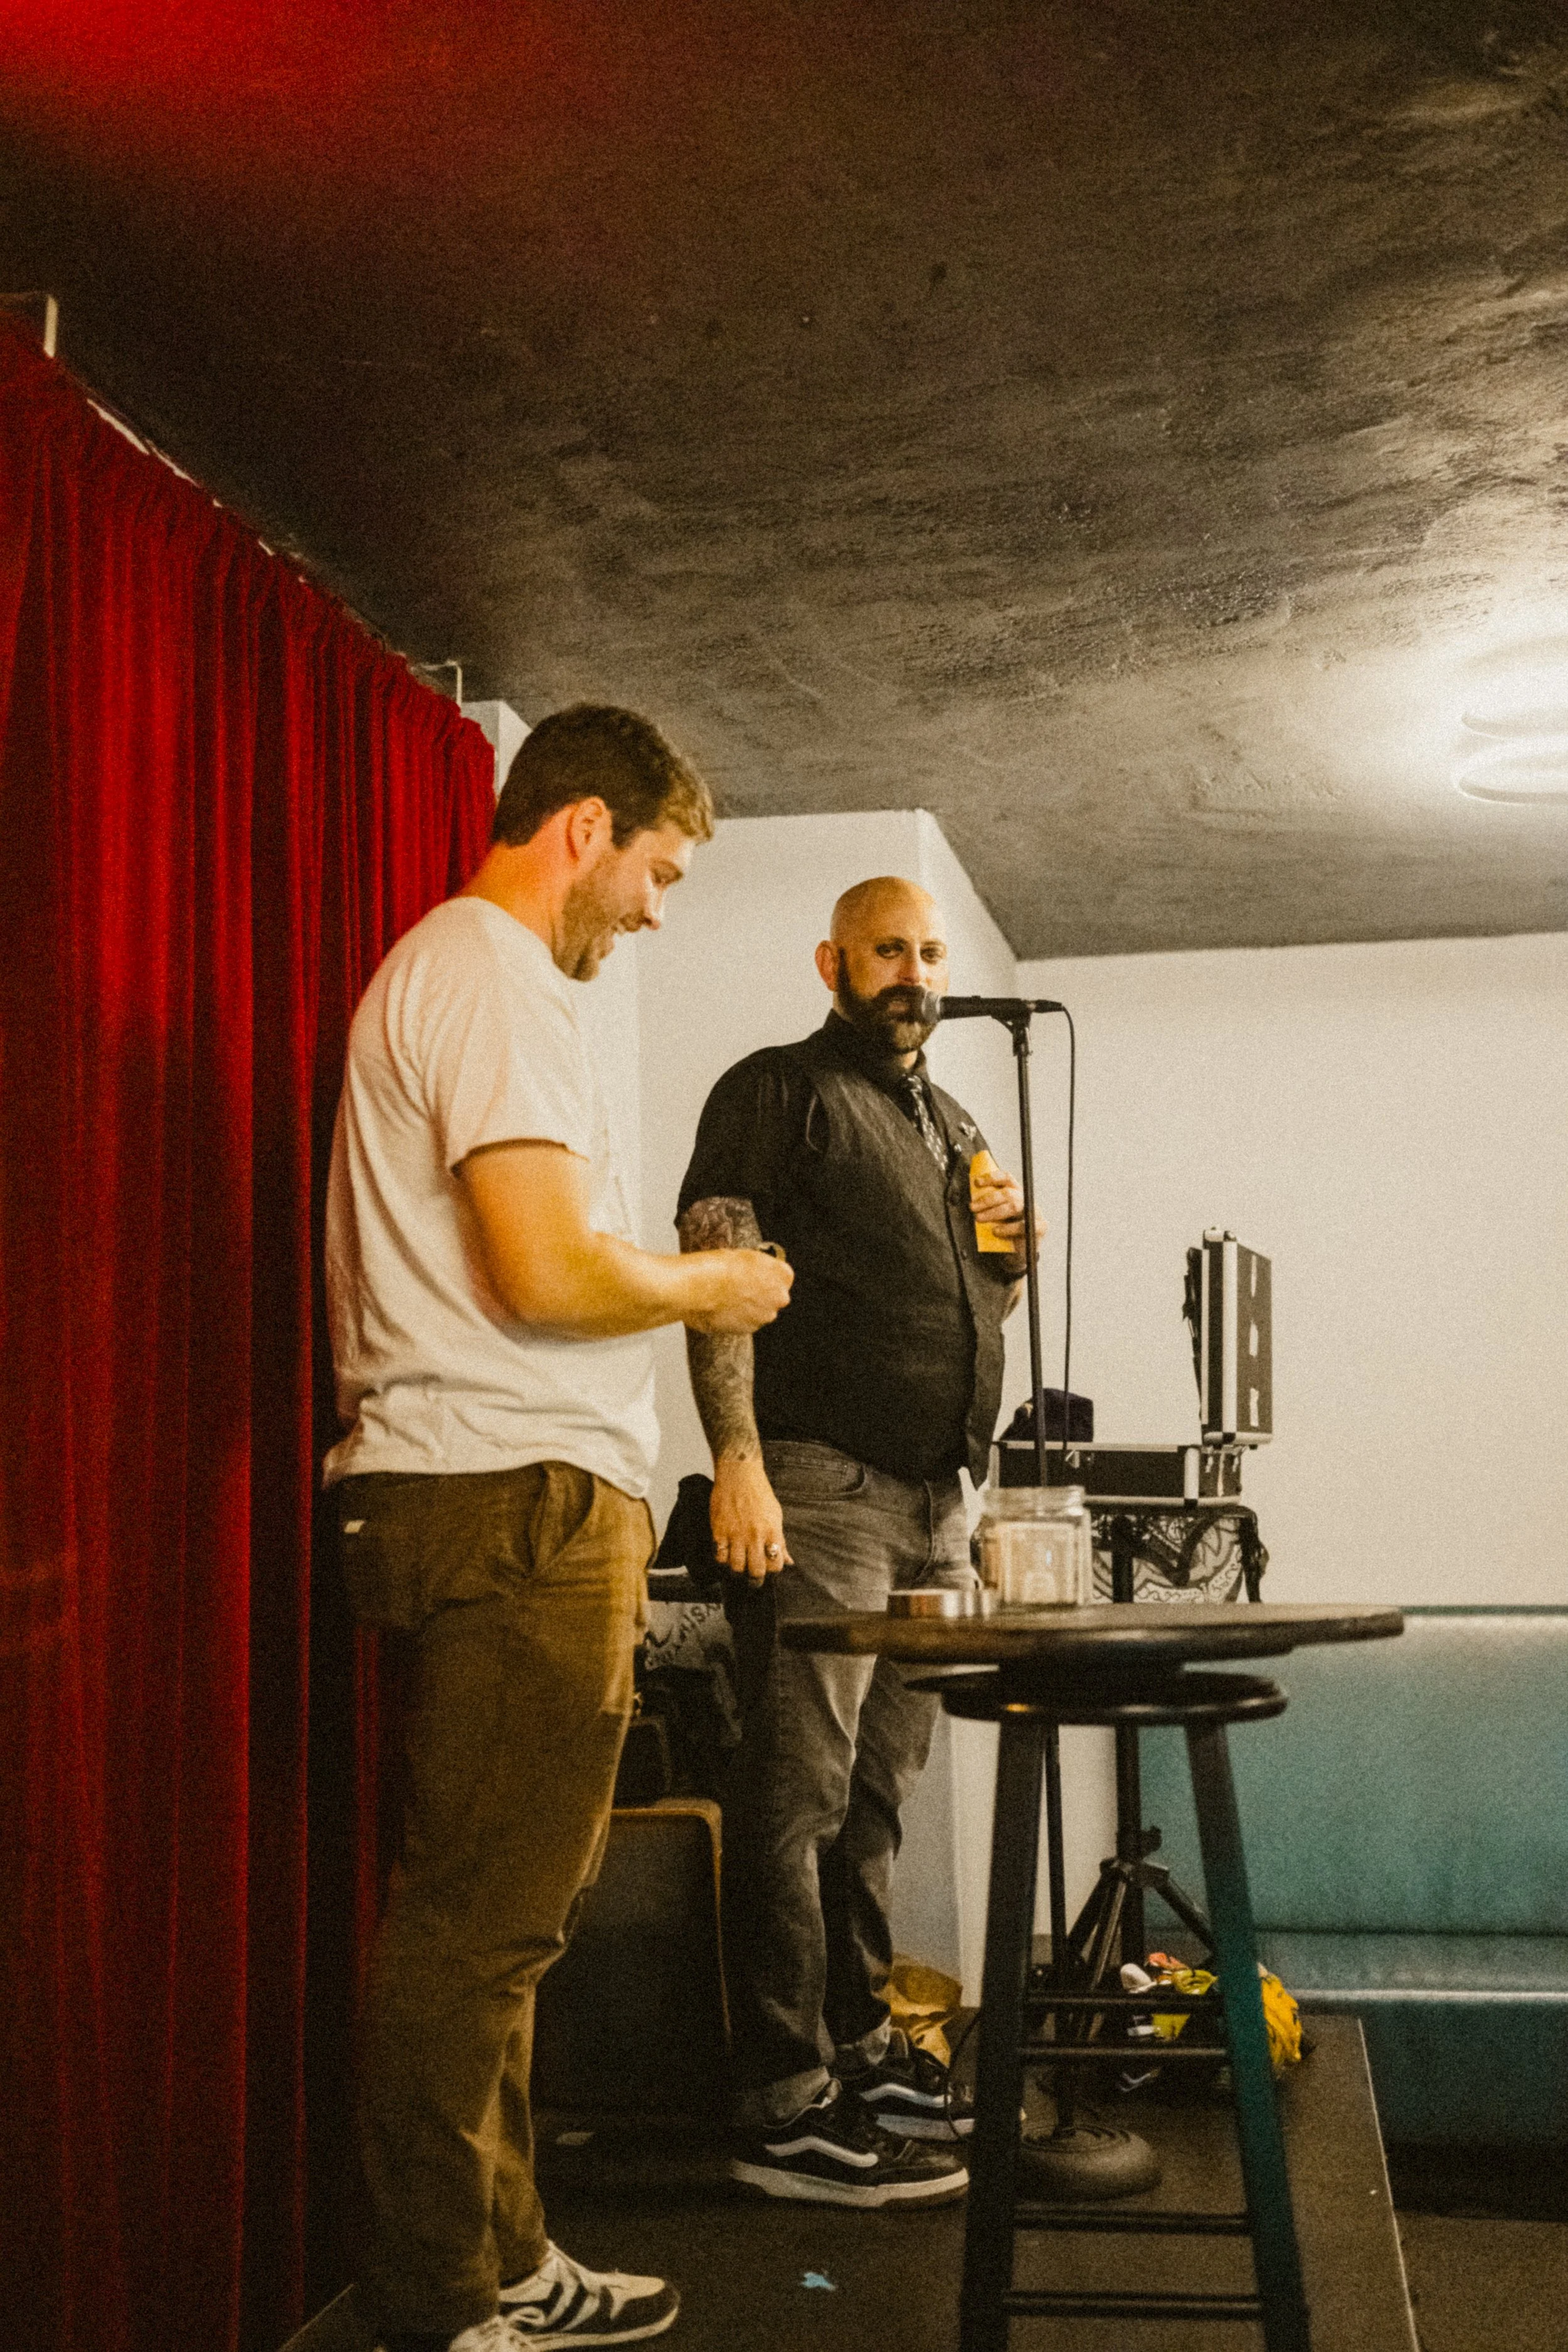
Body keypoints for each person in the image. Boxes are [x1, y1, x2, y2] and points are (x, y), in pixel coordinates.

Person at [323, 705, 793, 2352]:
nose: (658, 907)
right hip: (509, 1490)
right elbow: (539, 1269)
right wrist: (708, 1281)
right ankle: (442, 2297)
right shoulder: (494, 973)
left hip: (493, 1484)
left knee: (499, 1920)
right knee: (481, 1923)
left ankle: (508, 2256)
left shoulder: (479, 978)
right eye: (659, 869)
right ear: (584, 828)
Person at [675, 876, 1039, 2207]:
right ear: (831, 958)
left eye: (931, 952)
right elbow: (718, 1278)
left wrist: (1010, 1263)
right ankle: (779, 2100)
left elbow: (963, 1293)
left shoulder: (951, 1118)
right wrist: (737, 1460)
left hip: (935, 1496)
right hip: (815, 1486)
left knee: (879, 1789)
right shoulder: (775, 1092)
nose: (916, 971)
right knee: (796, 1788)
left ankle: (857, 2038)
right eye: (889, 949)